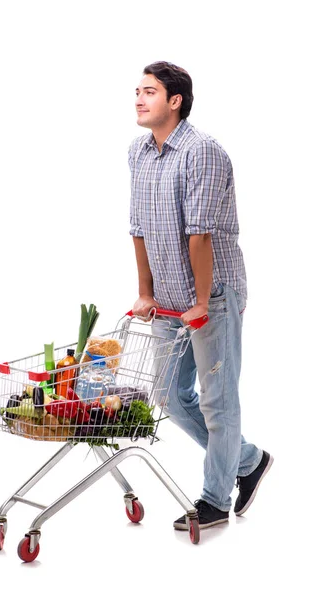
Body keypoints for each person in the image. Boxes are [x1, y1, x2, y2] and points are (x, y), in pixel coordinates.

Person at [128, 61, 273, 530]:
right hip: (169, 298)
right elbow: (138, 228)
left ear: (175, 101)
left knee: (217, 401)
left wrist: (202, 299)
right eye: (137, 90)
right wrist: (145, 292)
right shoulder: (138, 152)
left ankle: (215, 497)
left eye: (148, 91)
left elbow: (201, 234)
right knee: (168, 395)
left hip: (212, 293)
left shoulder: (202, 152)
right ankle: (247, 460)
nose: (138, 98)